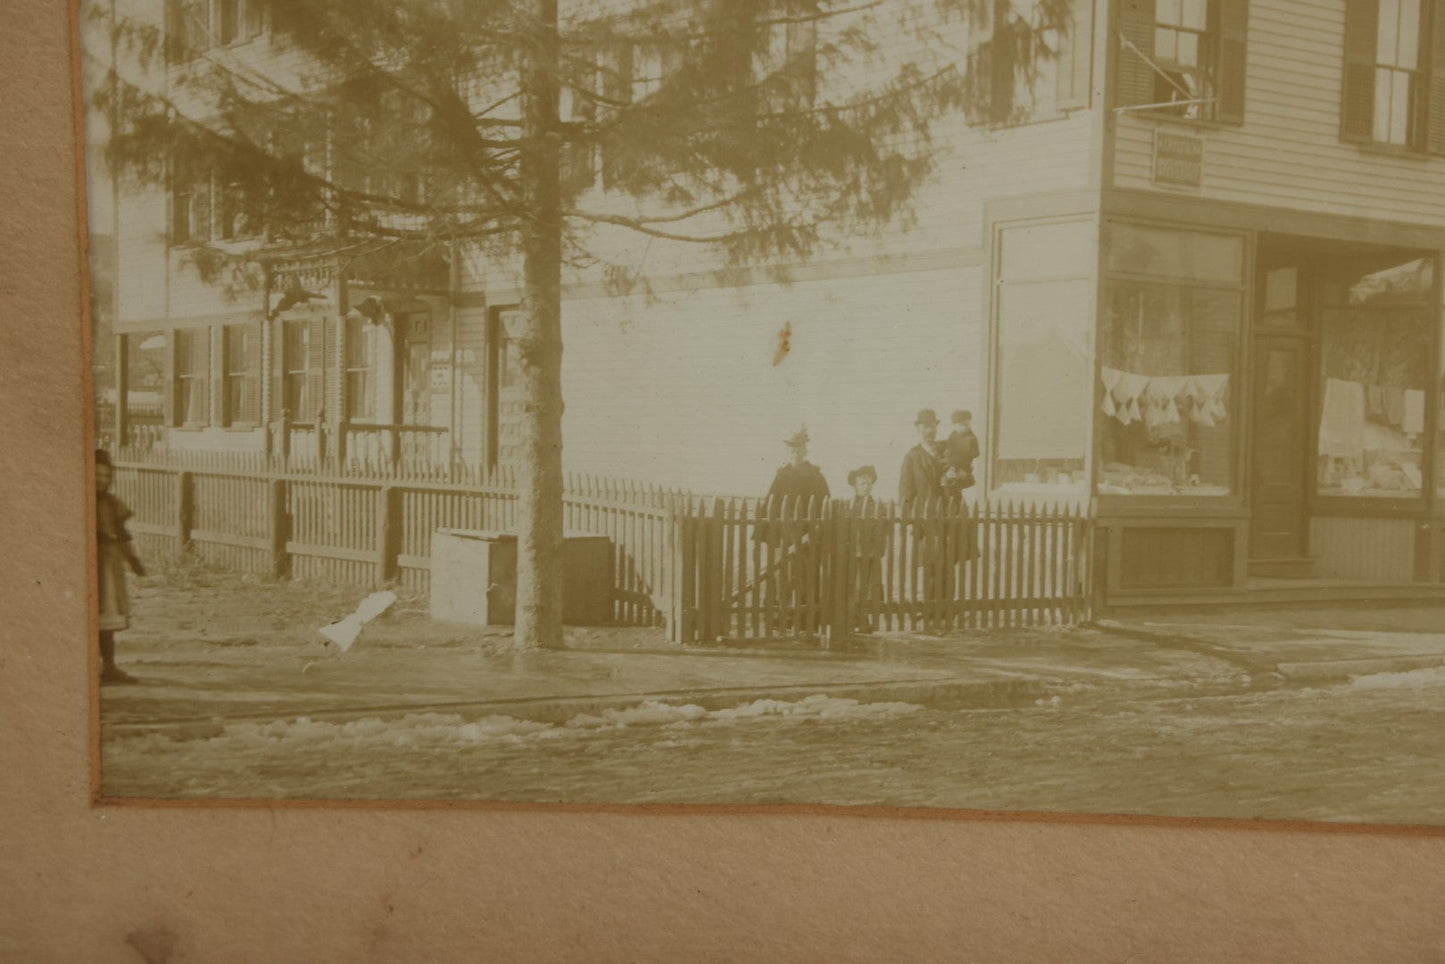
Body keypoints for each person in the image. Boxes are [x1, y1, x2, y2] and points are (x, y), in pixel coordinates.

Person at [95, 449, 145, 684]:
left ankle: (109, 666)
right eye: (96, 475)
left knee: (107, 616)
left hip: (108, 565)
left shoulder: (113, 503)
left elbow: (122, 534)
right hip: (87, 565)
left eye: (106, 476)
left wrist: (134, 561)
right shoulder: (78, 501)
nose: (101, 480)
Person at [846, 465, 887, 633]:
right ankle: (854, 619)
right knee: (854, 587)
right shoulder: (848, 506)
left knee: (869, 587)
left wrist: (877, 548)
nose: (866, 487)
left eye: (869, 483)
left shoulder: (878, 506)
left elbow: (884, 530)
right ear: (855, 485)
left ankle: (864, 619)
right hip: (852, 554)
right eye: (862, 483)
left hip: (870, 554)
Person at [898, 409, 945, 506]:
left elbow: (968, 481)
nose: (929, 431)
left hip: (948, 513)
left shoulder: (946, 451)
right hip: (923, 515)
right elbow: (906, 491)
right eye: (925, 427)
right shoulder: (911, 457)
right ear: (918, 429)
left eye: (932, 427)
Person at [942, 409, 980, 501]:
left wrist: (957, 466)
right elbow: (949, 450)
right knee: (946, 481)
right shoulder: (953, 436)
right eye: (961, 425)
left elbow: (972, 455)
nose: (965, 427)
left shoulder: (971, 438)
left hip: (964, 466)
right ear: (955, 426)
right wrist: (950, 464)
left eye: (967, 424)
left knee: (958, 482)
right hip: (952, 464)